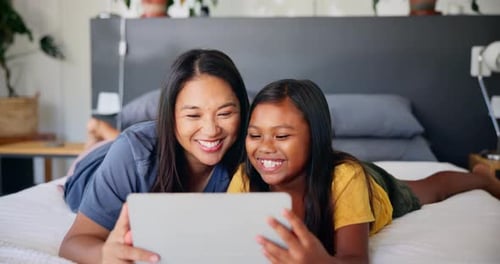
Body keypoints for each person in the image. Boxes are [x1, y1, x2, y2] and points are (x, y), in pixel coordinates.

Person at [227, 79, 500, 263]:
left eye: (282, 136)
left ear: (316, 138)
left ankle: (481, 177)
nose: (264, 148)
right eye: (254, 135)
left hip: (373, 185)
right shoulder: (246, 177)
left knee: (431, 190)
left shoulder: (346, 178)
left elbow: (356, 258)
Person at [59, 49, 250, 263]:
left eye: (224, 113)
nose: (211, 130)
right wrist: (104, 256)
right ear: (170, 116)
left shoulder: (252, 151)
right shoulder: (131, 154)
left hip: (145, 144)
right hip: (93, 164)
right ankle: (98, 134)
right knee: (120, 146)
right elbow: (73, 243)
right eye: (193, 115)